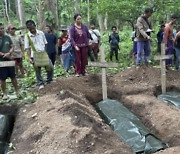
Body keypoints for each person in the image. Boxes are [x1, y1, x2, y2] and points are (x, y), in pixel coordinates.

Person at [24, 20, 53, 90]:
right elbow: (27, 48)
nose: (32, 30)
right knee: (37, 70)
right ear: (28, 28)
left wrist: (46, 52)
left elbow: (45, 43)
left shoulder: (41, 33)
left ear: (35, 26)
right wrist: (29, 58)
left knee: (50, 67)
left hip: (43, 52)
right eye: (30, 29)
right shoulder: (27, 36)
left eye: (33, 28)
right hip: (34, 54)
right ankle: (40, 83)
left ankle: (49, 80)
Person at [0, 23, 18, 100]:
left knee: (13, 76)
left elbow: (12, 46)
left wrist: (9, 53)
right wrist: (3, 54)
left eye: (2, 28)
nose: (2, 30)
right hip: (1, 61)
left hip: (9, 59)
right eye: (0, 29)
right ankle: (4, 93)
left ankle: (17, 91)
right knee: (2, 78)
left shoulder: (7, 37)